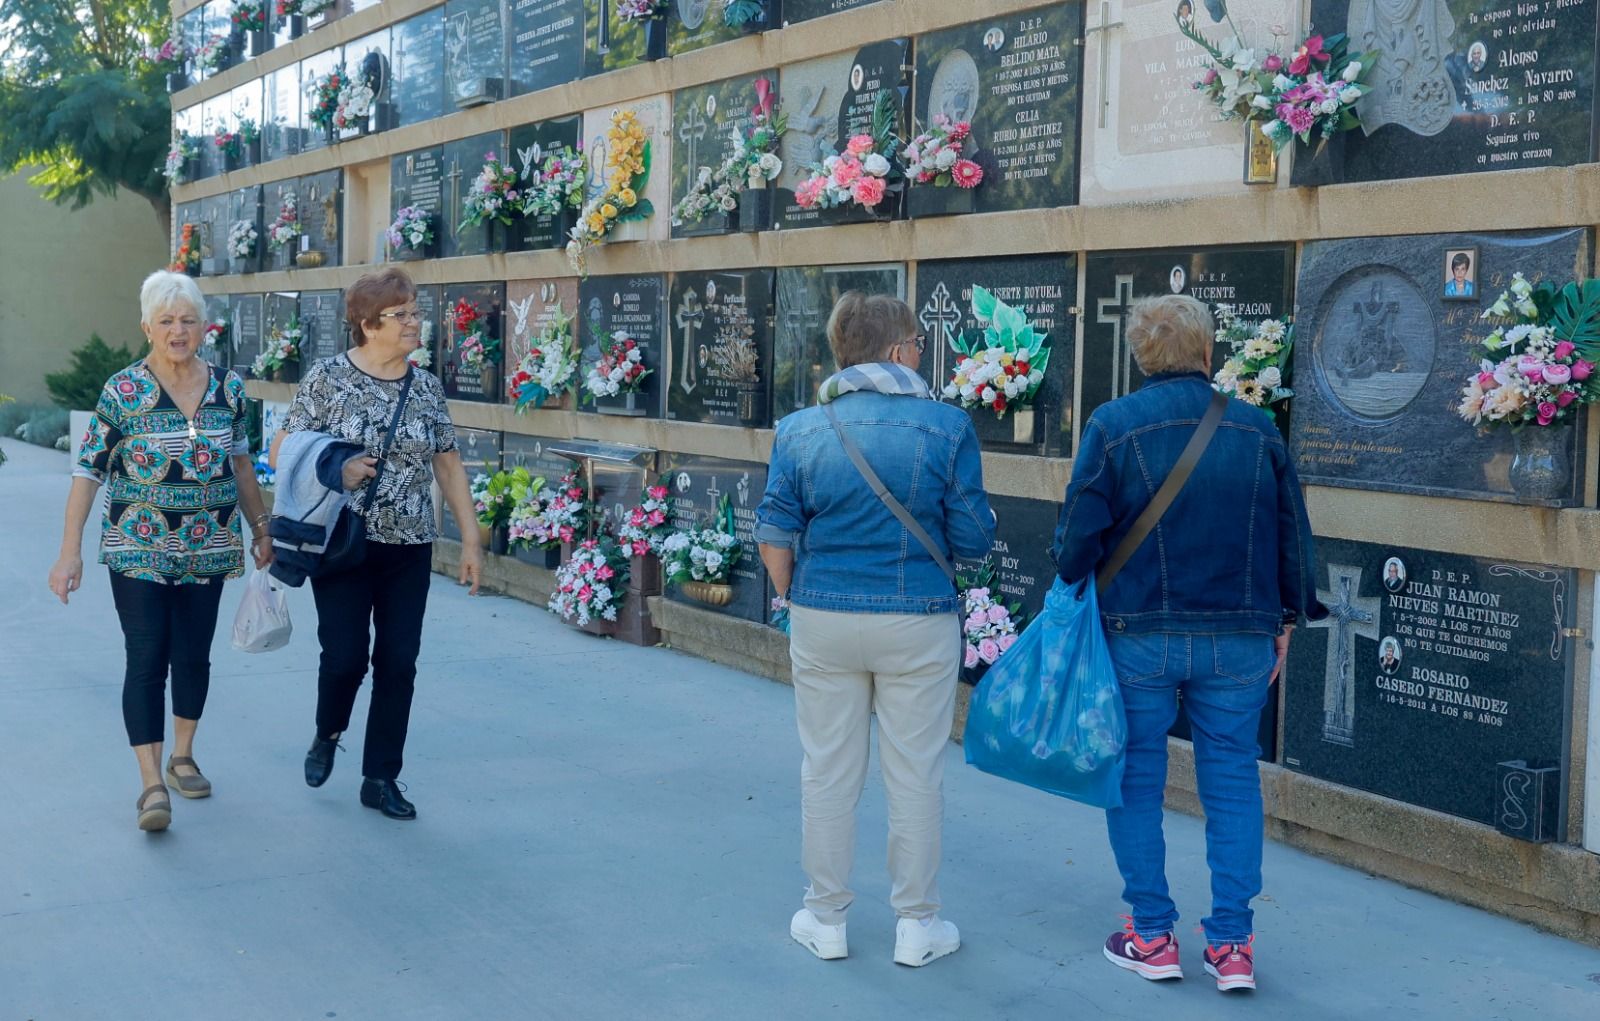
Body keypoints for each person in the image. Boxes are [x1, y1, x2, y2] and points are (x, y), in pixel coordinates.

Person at [1052, 295, 1322, 992]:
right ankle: (1232, 945)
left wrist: (1076, 577)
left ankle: (1152, 933)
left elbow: (1076, 542)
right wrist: (1287, 618)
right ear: (1209, 355)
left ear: (1142, 356)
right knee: (1231, 777)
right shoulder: (1258, 429)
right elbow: (1292, 534)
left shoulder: (1113, 425)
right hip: (1240, 636)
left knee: (1136, 774)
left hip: (1138, 633)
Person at [756, 292, 996, 968]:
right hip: (916, 619)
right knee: (915, 773)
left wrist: (791, 598)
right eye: (917, 341)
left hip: (824, 615)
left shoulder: (801, 427)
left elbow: (775, 530)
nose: (922, 350)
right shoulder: (948, 427)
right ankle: (917, 925)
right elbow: (974, 540)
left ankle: (825, 916)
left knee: (828, 770)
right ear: (895, 351)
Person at [48, 270, 273, 832]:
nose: (178, 330)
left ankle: (183, 754)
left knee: (193, 655)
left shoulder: (229, 389)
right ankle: (151, 783)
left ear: (203, 327)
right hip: (137, 546)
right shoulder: (122, 391)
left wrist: (261, 528)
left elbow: (242, 463)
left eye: (188, 320)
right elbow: (87, 472)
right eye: (167, 320)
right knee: (147, 659)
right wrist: (69, 550)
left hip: (210, 545)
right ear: (146, 326)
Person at [271, 267, 483, 821]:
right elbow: (282, 450)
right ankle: (327, 733)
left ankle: (380, 776)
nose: (415, 322)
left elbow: (448, 465)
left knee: (399, 662)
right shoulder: (327, 379)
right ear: (368, 325)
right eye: (402, 314)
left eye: (415, 311)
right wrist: (337, 467)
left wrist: (471, 539)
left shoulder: (427, 386)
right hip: (342, 541)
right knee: (344, 659)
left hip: (408, 546)